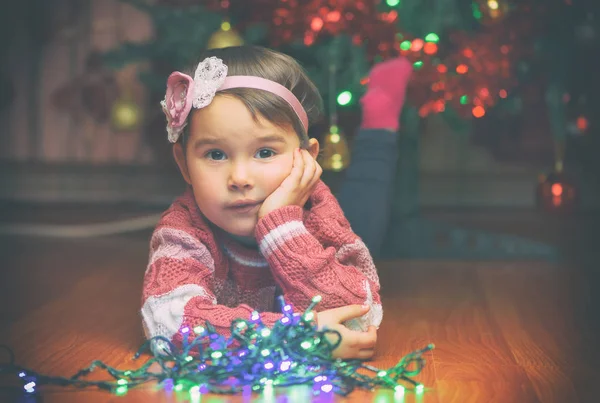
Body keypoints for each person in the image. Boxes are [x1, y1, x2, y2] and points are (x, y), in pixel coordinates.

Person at [141, 46, 411, 360]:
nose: (240, 178)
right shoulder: (183, 230)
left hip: (318, 223)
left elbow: (357, 320)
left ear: (307, 158)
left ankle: (380, 125)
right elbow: (168, 322)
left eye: (265, 152)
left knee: (367, 211)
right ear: (184, 164)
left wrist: (282, 229)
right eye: (216, 154)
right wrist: (295, 337)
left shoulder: (320, 217)